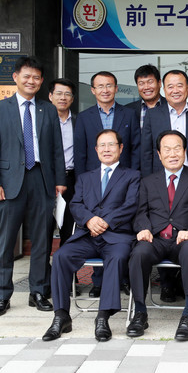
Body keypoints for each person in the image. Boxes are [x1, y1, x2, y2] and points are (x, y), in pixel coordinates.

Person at [0, 56, 66, 316]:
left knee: (42, 240)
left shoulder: (48, 109)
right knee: (5, 241)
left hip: (41, 179)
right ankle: (2, 295)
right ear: (16, 78)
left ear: (41, 81)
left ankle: (38, 291)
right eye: (26, 76)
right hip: (9, 183)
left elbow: (56, 148)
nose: (31, 81)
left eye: (36, 77)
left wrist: (60, 181)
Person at [42, 129, 140, 342]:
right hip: (88, 235)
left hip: (117, 236)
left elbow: (131, 205)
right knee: (61, 256)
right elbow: (76, 204)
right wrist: (89, 220)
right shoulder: (85, 178)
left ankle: (103, 317)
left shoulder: (132, 176)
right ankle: (61, 316)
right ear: (96, 150)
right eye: (102, 145)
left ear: (120, 148)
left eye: (111, 144)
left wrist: (105, 221)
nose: (107, 149)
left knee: (117, 258)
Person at [126, 130, 188, 341]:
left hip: (183, 239)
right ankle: (140, 312)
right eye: (167, 149)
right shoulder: (148, 181)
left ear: (184, 151)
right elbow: (140, 213)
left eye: (177, 148)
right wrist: (144, 228)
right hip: (155, 239)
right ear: (159, 154)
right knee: (138, 253)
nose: (172, 154)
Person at [74, 70, 140, 297]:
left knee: (119, 232)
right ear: (93, 90)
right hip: (94, 183)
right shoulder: (84, 117)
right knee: (96, 231)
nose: (105, 90)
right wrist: (83, 185)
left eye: (109, 85)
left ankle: (122, 279)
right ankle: (98, 281)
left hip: (123, 182)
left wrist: (134, 177)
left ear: (116, 88)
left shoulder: (129, 114)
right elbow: (80, 153)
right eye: (100, 86)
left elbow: (135, 148)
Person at [141, 70, 188, 177]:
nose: (175, 91)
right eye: (170, 87)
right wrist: (147, 180)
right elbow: (146, 153)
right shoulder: (152, 115)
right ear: (164, 90)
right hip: (161, 177)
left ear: (187, 88)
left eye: (180, 86)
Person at [48, 78, 78, 247]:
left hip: (71, 178)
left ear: (72, 99)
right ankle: (44, 262)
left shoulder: (78, 121)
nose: (63, 97)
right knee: (45, 223)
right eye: (59, 93)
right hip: (48, 178)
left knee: (69, 223)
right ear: (50, 96)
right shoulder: (42, 121)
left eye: (67, 94)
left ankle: (65, 260)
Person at [125, 64, 166, 130]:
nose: (146, 87)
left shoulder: (171, 106)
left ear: (159, 83)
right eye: (141, 83)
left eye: (150, 82)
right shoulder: (128, 110)